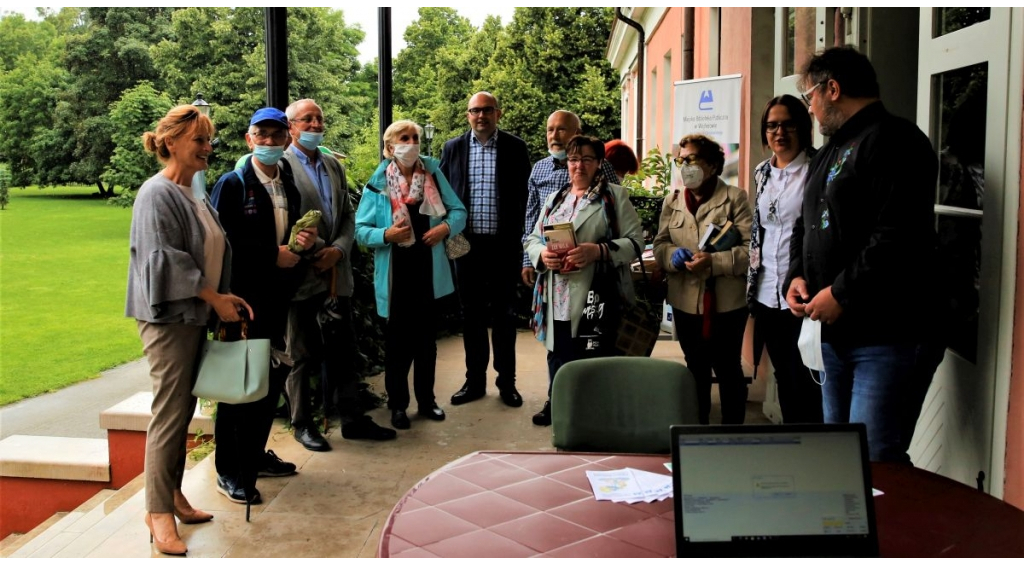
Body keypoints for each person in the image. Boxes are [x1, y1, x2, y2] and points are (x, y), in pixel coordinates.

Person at [784, 46, 939, 462]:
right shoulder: (830, 151)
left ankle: (896, 531)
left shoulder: (896, 141)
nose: (811, 109)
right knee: (841, 458)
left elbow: (898, 235)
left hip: (889, 335)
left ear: (831, 89)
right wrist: (796, 276)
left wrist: (841, 293)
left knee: (875, 458)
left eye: (810, 97)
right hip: (835, 336)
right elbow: (806, 223)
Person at [126, 105, 252, 555]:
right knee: (169, 414)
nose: (208, 148)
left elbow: (212, 252)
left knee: (181, 413)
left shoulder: (191, 193)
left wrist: (224, 298)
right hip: (169, 320)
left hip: (194, 315)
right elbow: (165, 260)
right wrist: (213, 297)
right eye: (199, 140)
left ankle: (173, 496)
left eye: (209, 140)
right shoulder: (157, 193)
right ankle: (157, 512)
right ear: (173, 142)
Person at [209, 108, 316, 506]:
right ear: (248, 138)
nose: (269, 142)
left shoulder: (286, 181)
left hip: (277, 299)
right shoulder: (233, 183)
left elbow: (287, 238)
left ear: (287, 139)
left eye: (276, 135)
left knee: (267, 385)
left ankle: (254, 456)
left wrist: (300, 246)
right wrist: (273, 254)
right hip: (241, 304)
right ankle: (229, 470)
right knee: (237, 388)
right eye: (261, 135)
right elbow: (223, 243)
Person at [282, 98, 396, 451]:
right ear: (292, 127)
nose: (315, 125)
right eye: (307, 120)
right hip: (303, 276)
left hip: (337, 275)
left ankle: (352, 419)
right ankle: (302, 424)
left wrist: (340, 250)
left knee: (344, 350)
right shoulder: (283, 167)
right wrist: (317, 252)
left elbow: (347, 215)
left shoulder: (332, 164)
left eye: (319, 118)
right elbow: (285, 223)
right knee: (301, 354)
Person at [355, 120, 468, 430]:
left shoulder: (432, 173)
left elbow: (459, 211)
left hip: (428, 271)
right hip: (396, 275)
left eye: (415, 137)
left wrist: (444, 228)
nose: (412, 142)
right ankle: (398, 405)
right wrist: (386, 235)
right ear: (390, 147)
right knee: (397, 345)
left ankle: (427, 400)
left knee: (426, 343)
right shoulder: (378, 183)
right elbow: (361, 231)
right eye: (404, 138)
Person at [523, 135, 643, 426]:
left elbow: (636, 243)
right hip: (557, 290)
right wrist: (542, 256)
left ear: (599, 163)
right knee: (558, 350)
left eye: (587, 159)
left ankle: (593, 409)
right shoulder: (556, 199)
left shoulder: (613, 197)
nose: (579, 166)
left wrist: (598, 251)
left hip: (595, 293)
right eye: (574, 160)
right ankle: (558, 401)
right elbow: (533, 238)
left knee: (592, 351)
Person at [439, 91, 531, 408]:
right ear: (468, 115)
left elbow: (525, 198)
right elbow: (440, 195)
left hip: (504, 246)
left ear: (498, 113)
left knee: (505, 316)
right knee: (472, 317)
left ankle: (507, 384)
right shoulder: (452, 148)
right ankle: (474, 382)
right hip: (467, 247)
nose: (481, 116)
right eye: (475, 111)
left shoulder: (515, 148)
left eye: (487, 110)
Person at [653, 134, 753, 425]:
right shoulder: (672, 202)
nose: (685, 167)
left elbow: (750, 251)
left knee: (728, 369)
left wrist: (715, 262)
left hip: (726, 304)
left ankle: (733, 433)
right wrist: (671, 255)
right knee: (695, 368)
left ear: (711, 165)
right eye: (681, 160)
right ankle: (697, 432)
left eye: (692, 160)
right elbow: (659, 245)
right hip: (686, 302)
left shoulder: (734, 198)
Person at [746, 95, 823, 424]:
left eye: (788, 124)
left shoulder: (818, 168)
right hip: (766, 292)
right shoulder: (762, 172)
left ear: (803, 128)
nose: (779, 132)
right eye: (772, 125)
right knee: (784, 377)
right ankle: (793, 445)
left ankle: (814, 451)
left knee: (808, 379)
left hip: (803, 291)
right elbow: (759, 230)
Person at [522, 110, 619, 287]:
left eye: (561, 129)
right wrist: (529, 260)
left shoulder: (600, 167)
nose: (554, 136)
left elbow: (616, 214)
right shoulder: (539, 168)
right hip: (551, 264)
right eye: (550, 130)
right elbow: (531, 218)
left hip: (592, 268)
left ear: (577, 133)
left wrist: (599, 251)